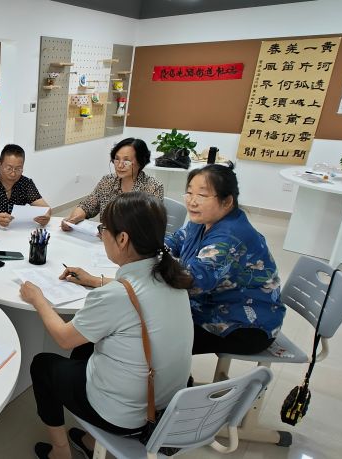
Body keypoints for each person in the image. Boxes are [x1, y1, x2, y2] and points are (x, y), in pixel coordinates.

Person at [19, 193, 193, 459]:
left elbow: (63, 338)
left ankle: (60, 452)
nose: (101, 236)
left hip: (128, 416)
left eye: (103, 229)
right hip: (167, 404)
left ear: (122, 239)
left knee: (43, 365)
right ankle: (90, 441)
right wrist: (94, 280)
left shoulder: (115, 296)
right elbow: (138, 292)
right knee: (84, 348)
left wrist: (38, 299)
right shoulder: (172, 275)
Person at [166, 163, 284, 355]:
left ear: (227, 201)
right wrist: (151, 248)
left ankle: (169, 372)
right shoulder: (203, 220)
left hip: (244, 326)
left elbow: (191, 282)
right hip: (208, 305)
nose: (192, 201)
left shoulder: (230, 237)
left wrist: (149, 262)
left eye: (201, 195)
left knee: (158, 338)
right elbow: (176, 241)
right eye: (189, 193)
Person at [63, 138, 164, 230]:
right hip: (104, 239)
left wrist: (111, 234)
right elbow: (87, 206)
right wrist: (72, 220)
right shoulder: (108, 181)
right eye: (117, 159)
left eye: (126, 161)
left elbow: (148, 226)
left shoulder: (153, 187)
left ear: (140, 162)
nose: (120, 165)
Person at [0, 144, 51, 227]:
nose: (13, 174)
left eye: (18, 169)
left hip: (15, 229)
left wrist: (45, 216)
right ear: (0, 164)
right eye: (9, 168)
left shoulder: (26, 183)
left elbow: (45, 208)